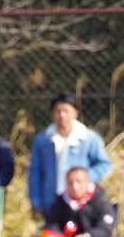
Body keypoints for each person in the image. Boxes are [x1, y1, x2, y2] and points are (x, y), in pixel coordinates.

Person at [27, 91, 111, 219]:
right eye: (58, 111)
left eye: (66, 111)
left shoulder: (89, 138)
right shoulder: (42, 140)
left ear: (75, 113)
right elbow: (35, 174)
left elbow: (103, 164)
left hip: (82, 203)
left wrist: (82, 181)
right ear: (52, 113)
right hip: (51, 203)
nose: (62, 115)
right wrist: (36, 202)